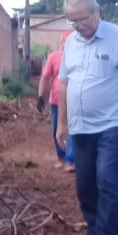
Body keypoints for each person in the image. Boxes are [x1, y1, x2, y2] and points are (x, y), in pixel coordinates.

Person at [55, 0, 118, 235]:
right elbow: (64, 83)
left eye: (83, 19)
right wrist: (61, 123)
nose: (80, 26)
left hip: (112, 125)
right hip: (81, 126)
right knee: (85, 186)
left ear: (97, 11)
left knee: (108, 181)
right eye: (73, 21)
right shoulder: (70, 43)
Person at [37, 30, 75, 171]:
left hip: (74, 100)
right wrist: (41, 96)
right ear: (62, 43)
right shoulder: (53, 57)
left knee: (72, 129)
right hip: (56, 100)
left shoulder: (78, 58)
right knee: (56, 130)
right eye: (66, 43)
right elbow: (45, 77)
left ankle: (70, 160)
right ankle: (61, 157)